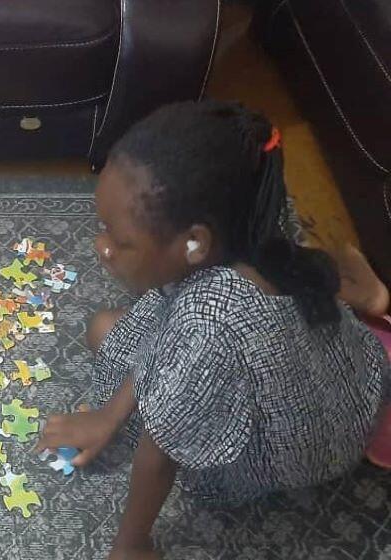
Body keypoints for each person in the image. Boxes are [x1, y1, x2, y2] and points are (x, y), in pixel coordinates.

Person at [35, 100, 391, 560]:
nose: (100, 248)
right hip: (358, 383)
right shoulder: (257, 214)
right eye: (102, 227)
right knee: (128, 331)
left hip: (303, 452)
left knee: (105, 330)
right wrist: (107, 415)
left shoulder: (207, 323)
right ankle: (367, 301)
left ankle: (364, 297)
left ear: (195, 243)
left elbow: (157, 451)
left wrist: (131, 547)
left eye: (119, 240)